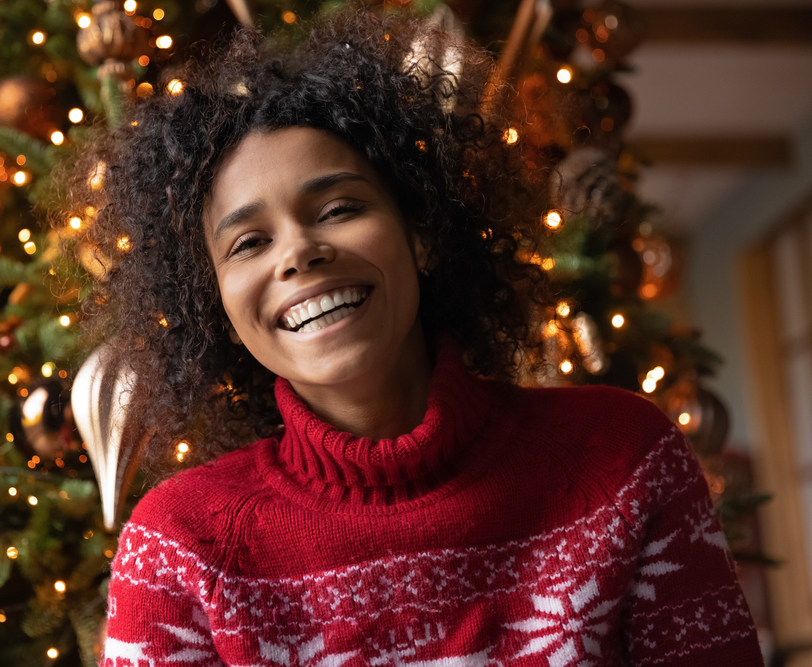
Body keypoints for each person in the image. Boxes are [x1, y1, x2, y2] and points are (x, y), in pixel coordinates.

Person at [69, 7, 763, 666]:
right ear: (217, 304)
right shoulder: (177, 546)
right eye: (249, 241)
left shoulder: (623, 461)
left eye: (339, 207)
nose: (298, 253)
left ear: (422, 234)